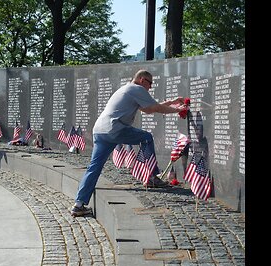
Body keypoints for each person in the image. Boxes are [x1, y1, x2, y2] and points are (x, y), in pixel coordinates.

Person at [70, 69, 188, 217]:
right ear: (142, 80)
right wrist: (177, 110)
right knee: (146, 137)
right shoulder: (136, 88)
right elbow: (154, 108)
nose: (150, 87)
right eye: (150, 83)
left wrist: (171, 103)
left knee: (93, 168)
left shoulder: (126, 89)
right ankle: (151, 177)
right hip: (115, 129)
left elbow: (147, 108)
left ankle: (79, 204)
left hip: (100, 131)